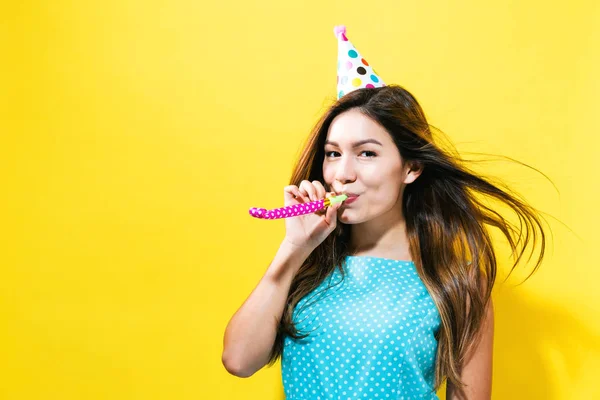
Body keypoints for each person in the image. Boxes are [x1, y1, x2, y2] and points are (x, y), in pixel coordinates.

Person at [222, 26, 547, 399]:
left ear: (411, 168)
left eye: (367, 153)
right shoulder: (307, 267)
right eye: (333, 153)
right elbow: (238, 360)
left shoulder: (457, 283)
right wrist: (294, 249)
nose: (342, 173)